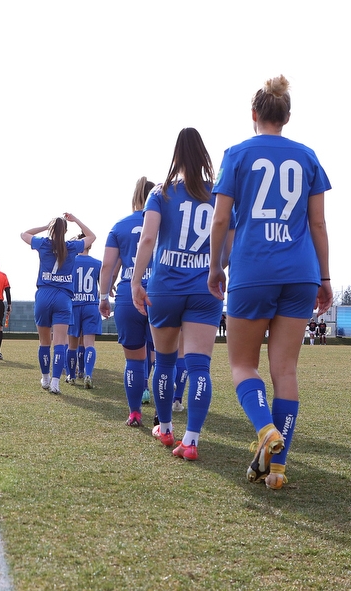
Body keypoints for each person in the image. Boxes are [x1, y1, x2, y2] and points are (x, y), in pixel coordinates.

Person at [208, 75, 332, 490]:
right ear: (287, 116)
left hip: (253, 269)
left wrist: (214, 267)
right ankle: (277, 467)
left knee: (243, 364)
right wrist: (325, 276)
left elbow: (221, 218)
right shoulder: (308, 156)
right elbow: (317, 222)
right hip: (300, 272)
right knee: (286, 370)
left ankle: (265, 430)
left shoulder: (237, 153)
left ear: (254, 114)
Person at [131, 128, 221, 460]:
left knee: (165, 362)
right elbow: (229, 237)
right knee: (199, 366)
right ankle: (192, 439)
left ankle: (166, 429)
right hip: (205, 289)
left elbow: (148, 239)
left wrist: (135, 281)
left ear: (176, 155)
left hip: (166, 288)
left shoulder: (160, 193)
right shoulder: (217, 192)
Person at [99, 177, 155, 427]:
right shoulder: (164, 221)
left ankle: (134, 414)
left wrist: (103, 296)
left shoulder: (120, 226)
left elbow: (108, 266)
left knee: (133, 359)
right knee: (164, 358)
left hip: (127, 295)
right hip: (159, 294)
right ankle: (163, 417)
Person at [21, 214, 96, 394]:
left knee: (44, 342)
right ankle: (55, 382)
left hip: (44, 294)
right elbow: (92, 237)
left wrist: (45, 226)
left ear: (52, 230)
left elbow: (24, 233)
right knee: (60, 343)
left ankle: (45, 378)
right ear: (66, 231)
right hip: (63, 297)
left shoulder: (43, 243)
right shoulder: (71, 246)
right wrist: (76, 219)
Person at [67, 236, 102, 388]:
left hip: (74, 305)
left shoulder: (70, 261)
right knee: (89, 344)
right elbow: (104, 286)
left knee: (72, 345)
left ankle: (71, 375)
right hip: (91, 305)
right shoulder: (98, 263)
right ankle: (88, 374)